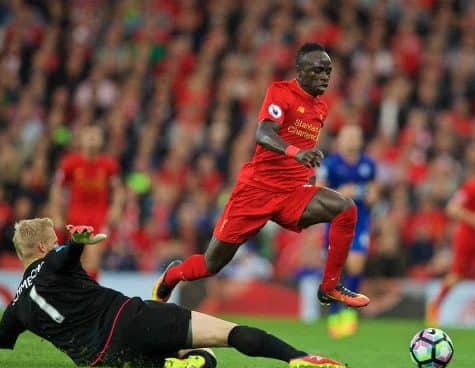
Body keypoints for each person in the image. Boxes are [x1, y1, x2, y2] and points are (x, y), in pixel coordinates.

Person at [0, 218, 348, 368]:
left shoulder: (16, 308)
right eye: (55, 240)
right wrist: (77, 243)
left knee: (200, 356)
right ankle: (298, 357)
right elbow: (64, 258)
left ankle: (185, 360)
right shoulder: (55, 261)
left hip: (104, 359)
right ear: (44, 246)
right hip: (130, 320)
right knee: (227, 333)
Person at [152, 43, 369, 308]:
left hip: (292, 193)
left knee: (345, 209)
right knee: (212, 264)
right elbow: (263, 134)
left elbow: (299, 143)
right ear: (299, 72)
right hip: (256, 191)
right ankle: (174, 273)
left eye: (328, 71)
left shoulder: (321, 108)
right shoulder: (280, 92)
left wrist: (306, 167)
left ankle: (330, 286)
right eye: (317, 71)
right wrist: (297, 153)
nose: (325, 77)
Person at [317, 125, 378, 338]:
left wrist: (364, 193)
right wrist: (341, 193)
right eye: (348, 136)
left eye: (356, 136)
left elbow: (374, 193)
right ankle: (335, 313)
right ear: (340, 141)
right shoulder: (330, 164)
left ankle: (350, 312)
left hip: (360, 221)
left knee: (356, 263)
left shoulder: (368, 164)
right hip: (334, 222)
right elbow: (320, 192)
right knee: (337, 267)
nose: (352, 140)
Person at [50, 125, 123, 280]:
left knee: (94, 255)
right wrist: (56, 212)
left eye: (95, 136)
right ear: (82, 140)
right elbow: (57, 187)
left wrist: (116, 207)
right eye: (89, 135)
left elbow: (118, 189)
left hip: (99, 216)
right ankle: (79, 290)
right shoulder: (70, 163)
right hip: (75, 215)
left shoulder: (109, 165)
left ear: (101, 141)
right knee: (79, 257)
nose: (92, 139)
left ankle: (89, 292)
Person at [425, 159, 475, 326]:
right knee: (457, 275)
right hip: (467, 238)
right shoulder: (472, 187)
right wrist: (472, 218)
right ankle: (436, 305)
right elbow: (452, 208)